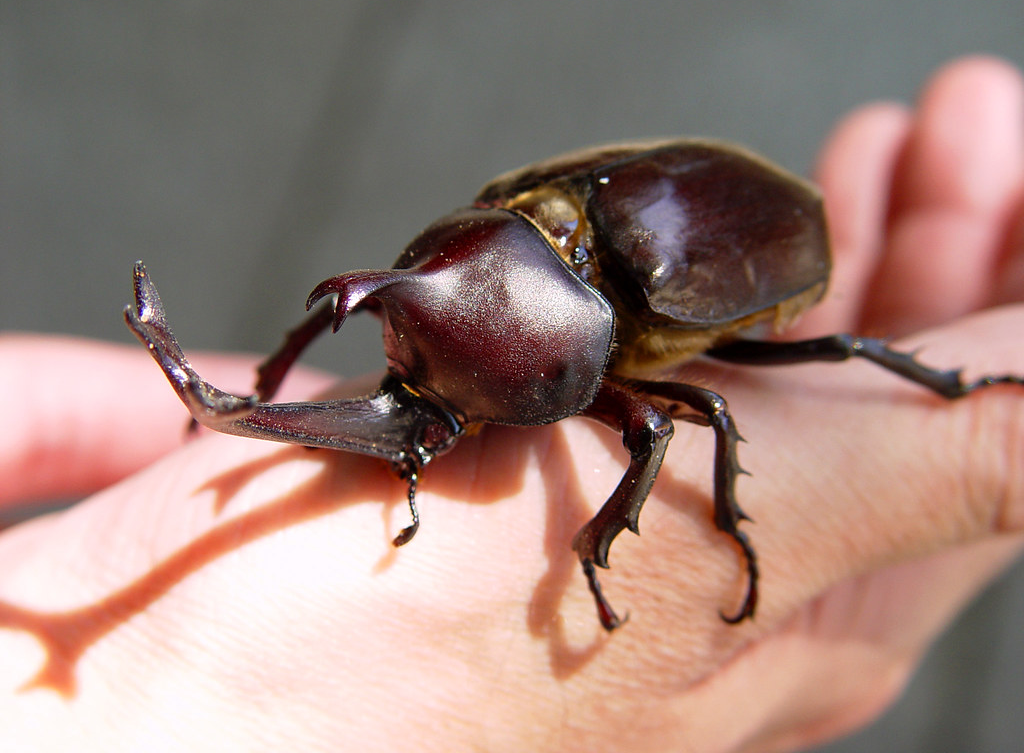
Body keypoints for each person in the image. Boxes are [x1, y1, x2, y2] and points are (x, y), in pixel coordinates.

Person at [0, 55, 1021, 752]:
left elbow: (658, 427)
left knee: (719, 402)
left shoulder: (638, 307)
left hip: (751, 246)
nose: (412, 420)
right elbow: (394, 298)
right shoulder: (500, 226)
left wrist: (633, 539)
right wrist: (257, 395)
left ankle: (954, 390)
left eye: (430, 418)